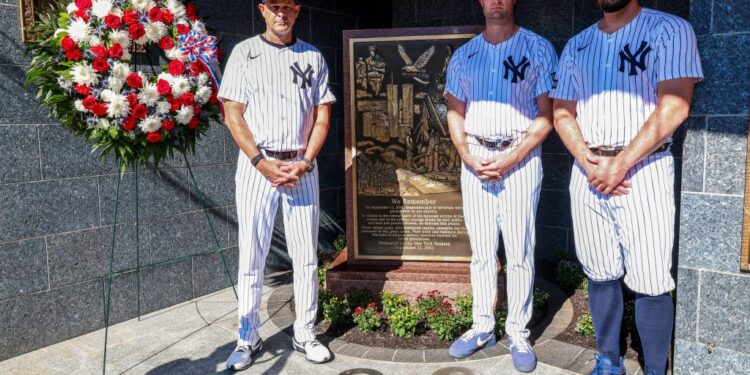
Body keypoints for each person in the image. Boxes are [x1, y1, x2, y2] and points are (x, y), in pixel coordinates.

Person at [550, 0, 702, 374]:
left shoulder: (669, 29)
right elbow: (561, 111)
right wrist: (589, 161)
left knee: (650, 278)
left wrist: (620, 163)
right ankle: (609, 360)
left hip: (643, 169)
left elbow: (675, 105)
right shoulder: (577, 44)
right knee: (599, 271)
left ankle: (653, 370)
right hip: (588, 169)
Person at [218, 0, 336, 370]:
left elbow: (322, 116)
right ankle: (247, 338)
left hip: (301, 164)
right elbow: (232, 113)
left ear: (298, 11)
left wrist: (304, 161)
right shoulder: (245, 52)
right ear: (262, 10)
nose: (281, 13)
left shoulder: (313, 56)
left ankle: (305, 333)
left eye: (288, 6)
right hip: (259, 165)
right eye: (274, 6)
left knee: (305, 258)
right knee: (252, 255)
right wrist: (259, 161)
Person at [443, 0, 557, 372]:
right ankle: (481, 327)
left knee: (520, 250)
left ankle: (518, 332)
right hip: (475, 157)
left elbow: (547, 115)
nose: (496, 1)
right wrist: (468, 155)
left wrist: (512, 157)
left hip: (520, 157)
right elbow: (455, 114)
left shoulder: (538, 48)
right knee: (481, 252)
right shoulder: (465, 55)